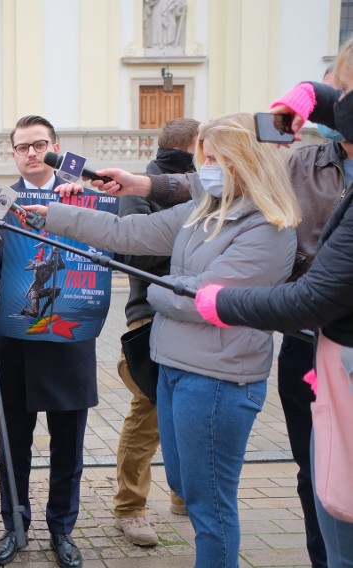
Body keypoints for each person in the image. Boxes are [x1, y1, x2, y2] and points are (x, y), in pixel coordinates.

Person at [24, 113, 300, 568]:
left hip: (219, 381)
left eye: (214, 160)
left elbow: (210, 299)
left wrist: (157, 290)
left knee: (209, 507)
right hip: (173, 367)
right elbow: (128, 233)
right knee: (186, 484)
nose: (204, 170)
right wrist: (53, 215)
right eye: (202, 158)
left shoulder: (268, 226)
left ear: (247, 162)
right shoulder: (204, 208)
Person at [193, 48, 353, 568]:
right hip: (311, 350)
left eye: (343, 93)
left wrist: (222, 301)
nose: (335, 103)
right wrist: (307, 95)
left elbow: (314, 297)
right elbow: (249, 167)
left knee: (342, 495)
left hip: (327, 339)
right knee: (318, 473)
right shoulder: (307, 158)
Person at [0, 115, 95, 568]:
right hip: (13, 341)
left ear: (55, 147)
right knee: (13, 443)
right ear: (13, 154)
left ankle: (63, 529)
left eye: (39, 145)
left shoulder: (82, 196)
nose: (31, 153)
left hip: (69, 339)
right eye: (22, 147)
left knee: (67, 444)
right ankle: (15, 527)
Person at [112, 117, 198, 547]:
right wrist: (187, 243)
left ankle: (184, 493)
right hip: (148, 315)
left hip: (198, 315)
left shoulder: (206, 188)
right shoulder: (138, 188)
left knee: (192, 411)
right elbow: (133, 253)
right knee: (148, 413)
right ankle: (130, 508)